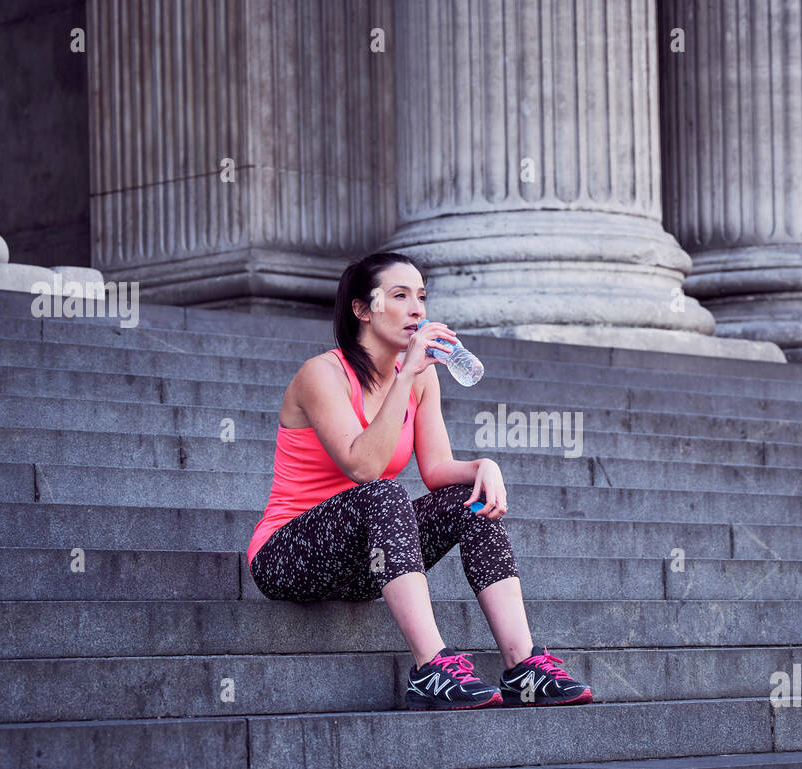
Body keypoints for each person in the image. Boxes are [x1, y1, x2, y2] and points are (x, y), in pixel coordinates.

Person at [247, 251, 593, 711]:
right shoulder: (322, 374)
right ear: (362, 309)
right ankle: (431, 668)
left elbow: (436, 473)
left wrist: (481, 468)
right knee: (384, 492)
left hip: (361, 564)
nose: (418, 309)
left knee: (468, 501)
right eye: (400, 295)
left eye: (422, 297)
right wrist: (407, 370)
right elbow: (364, 467)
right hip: (288, 555)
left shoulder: (420, 380)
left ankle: (522, 665)